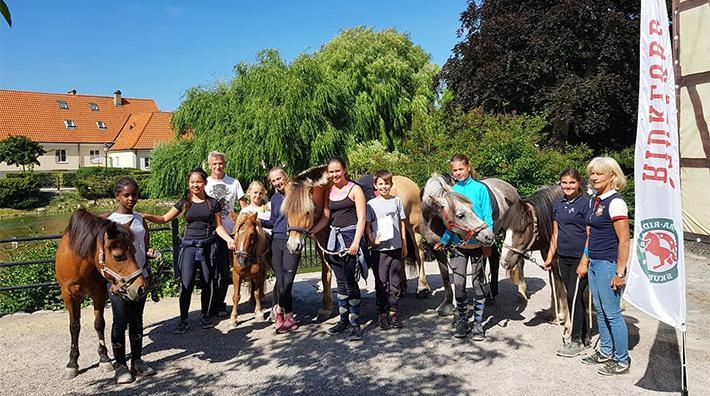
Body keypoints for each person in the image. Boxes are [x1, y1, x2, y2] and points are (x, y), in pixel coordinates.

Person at [144, 168, 236, 334]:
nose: (195, 185)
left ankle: (205, 315)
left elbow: (219, 227)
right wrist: (144, 216)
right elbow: (164, 218)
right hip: (188, 248)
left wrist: (229, 239)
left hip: (208, 247)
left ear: (205, 183)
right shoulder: (184, 202)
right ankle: (183, 319)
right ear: (189, 183)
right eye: (192, 182)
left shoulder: (212, 203)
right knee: (186, 284)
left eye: (199, 181)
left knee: (207, 283)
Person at [580, 157, 631, 375]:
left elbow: (624, 240)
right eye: (592, 173)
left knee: (612, 313)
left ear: (612, 175)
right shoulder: (595, 200)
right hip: (594, 262)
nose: (594, 177)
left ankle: (622, 360)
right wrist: (586, 257)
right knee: (600, 310)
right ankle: (606, 351)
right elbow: (590, 233)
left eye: (599, 173)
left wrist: (620, 272)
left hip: (609, 264)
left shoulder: (616, 202)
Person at [434, 154, 493, 341]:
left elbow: (487, 216)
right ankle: (461, 320)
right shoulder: (450, 194)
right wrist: (444, 240)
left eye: (461, 169)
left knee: (478, 285)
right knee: (458, 286)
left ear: (468, 167)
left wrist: (488, 243)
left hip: (478, 245)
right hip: (459, 246)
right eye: (454, 170)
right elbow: (451, 224)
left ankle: (477, 323)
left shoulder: (480, 189)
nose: (458, 173)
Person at [311, 156, 368, 341]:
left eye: (337, 171)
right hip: (334, 241)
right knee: (340, 282)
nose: (335, 174)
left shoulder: (355, 189)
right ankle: (343, 320)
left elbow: (362, 218)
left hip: (351, 238)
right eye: (331, 171)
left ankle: (355, 323)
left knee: (351, 282)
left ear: (344, 170)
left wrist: (356, 242)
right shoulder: (329, 192)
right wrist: (312, 230)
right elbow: (326, 218)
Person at [106, 177, 157, 383]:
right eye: (126, 195)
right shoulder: (108, 222)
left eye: (134, 194)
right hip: (120, 281)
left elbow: (145, 245)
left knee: (137, 321)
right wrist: (111, 281)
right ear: (117, 196)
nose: (131, 198)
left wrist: (151, 253)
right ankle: (120, 365)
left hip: (140, 277)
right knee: (120, 322)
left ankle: (137, 360)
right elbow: (102, 257)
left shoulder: (140, 219)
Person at [543, 168, 591, 357]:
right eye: (564, 183)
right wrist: (549, 257)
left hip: (580, 258)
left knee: (574, 296)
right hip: (563, 257)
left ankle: (576, 340)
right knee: (572, 295)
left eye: (572, 182)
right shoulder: (558, 205)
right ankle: (585, 334)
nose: (568, 186)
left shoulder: (585, 204)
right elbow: (555, 234)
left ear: (579, 183)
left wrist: (584, 261)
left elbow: (590, 234)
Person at [205, 151, 247, 317]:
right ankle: (209, 305)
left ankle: (220, 304)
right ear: (209, 165)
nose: (217, 166)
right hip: (209, 232)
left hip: (229, 232)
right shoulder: (205, 183)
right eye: (214, 164)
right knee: (210, 270)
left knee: (224, 270)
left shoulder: (233, 183)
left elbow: (244, 206)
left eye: (220, 163)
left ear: (225, 164)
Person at [259, 167, 301, 333]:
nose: (276, 183)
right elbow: (274, 221)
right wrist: (258, 221)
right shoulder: (275, 198)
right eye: (273, 181)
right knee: (280, 279)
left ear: (286, 176)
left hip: (291, 239)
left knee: (288, 281)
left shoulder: (297, 193)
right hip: (277, 240)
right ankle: (285, 316)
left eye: (278, 179)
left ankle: (280, 310)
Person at [366, 170, 407, 330]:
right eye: (380, 184)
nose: (384, 187)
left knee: (395, 282)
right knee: (381, 282)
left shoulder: (396, 201)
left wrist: (404, 243)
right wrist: (371, 239)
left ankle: (393, 311)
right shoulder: (371, 204)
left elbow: (402, 223)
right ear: (375, 185)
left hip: (395, 247)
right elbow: (367, 225)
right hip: (379, 249)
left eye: (387, 183)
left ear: (391, 184)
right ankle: (382, 313)